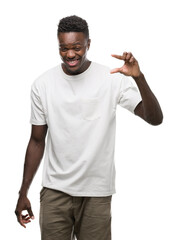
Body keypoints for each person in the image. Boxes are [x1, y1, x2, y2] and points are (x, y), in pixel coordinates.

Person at [15, 15, 163, 240]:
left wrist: (139, 78)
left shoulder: (112, 78)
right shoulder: (42, 84)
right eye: (64, 48)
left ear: (88, 44)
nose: (71, 54)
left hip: (96, 193)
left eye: (77, 47)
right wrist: (23, 192)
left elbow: (155, 118)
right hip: (55, 192)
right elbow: (36, 141)